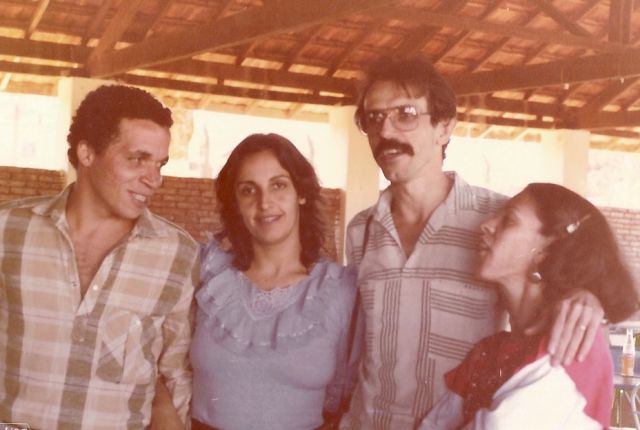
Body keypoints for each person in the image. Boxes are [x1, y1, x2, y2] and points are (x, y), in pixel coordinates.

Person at [339, 55, 605, 429]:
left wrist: (588, 295)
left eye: (406, 114)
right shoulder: (361, 230)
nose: (386, 131)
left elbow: (560, 275)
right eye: (374, 117)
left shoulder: (493, 222)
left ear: (444, 127)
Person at [0, 85, 198, 429]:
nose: (154, 180)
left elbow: (174, 375)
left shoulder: (177, 254)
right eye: (138, 159)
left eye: (160, 164)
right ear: (87, 153)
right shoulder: (8, 230)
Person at [421, 183, 639, 429]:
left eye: (509, 220)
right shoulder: (488, 351)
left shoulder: (571, 343)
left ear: (546, 251)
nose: (486, 225)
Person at [189, 133, 357, 430]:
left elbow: (347, 398)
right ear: (235, 203)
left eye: (278, 185)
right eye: (248, 190)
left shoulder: (339, 290)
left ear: (301, 193)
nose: (265, 203)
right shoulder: (207, 273)